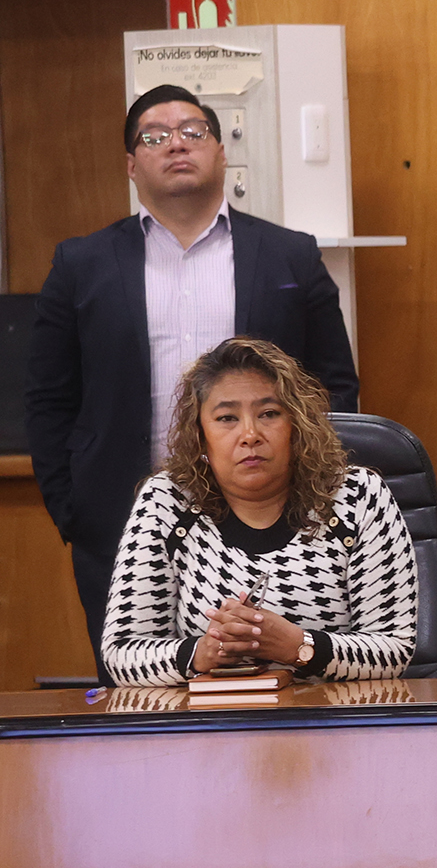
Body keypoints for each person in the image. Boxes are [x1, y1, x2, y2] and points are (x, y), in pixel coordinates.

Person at [28, 83, 360, 674]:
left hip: (275, 518)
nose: (176, 144)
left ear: (221, 152)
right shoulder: (80, 265)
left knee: (286, 686)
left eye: (193, 131)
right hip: (120, 520)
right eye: (154, 136)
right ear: (132, 165)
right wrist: (73, 508)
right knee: (139, 689)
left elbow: (333, 385)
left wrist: (315, 490)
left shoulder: (289, 255)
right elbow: (49, 399)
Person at [101, 338, 416, 686]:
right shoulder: (168, 501)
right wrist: (202, 653)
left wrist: (298, 647)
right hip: (208, 717)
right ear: (200, 436)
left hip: (331, 714)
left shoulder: (356, 496)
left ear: (297, 425)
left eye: (269, 414)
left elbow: (395, 649)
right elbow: (122, 653)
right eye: (227, 418)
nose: (250, 435)